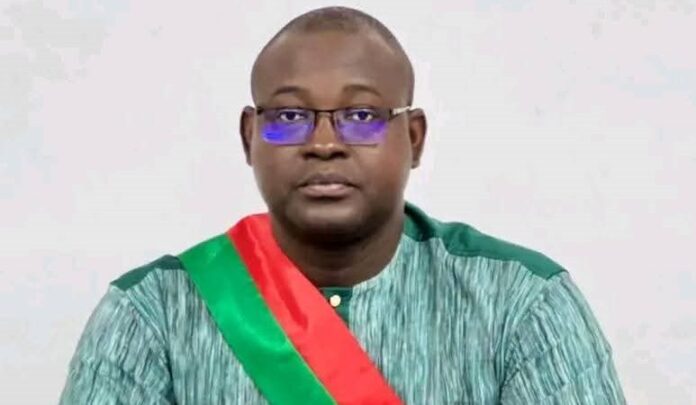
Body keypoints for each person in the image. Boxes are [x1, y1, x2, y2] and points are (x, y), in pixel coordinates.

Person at [60, 6, 625, 404]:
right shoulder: (152, 316)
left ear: (415, 139)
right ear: (249, 138)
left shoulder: (523, 305)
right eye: (289, 117)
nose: (324, 143)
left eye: (361, 116)